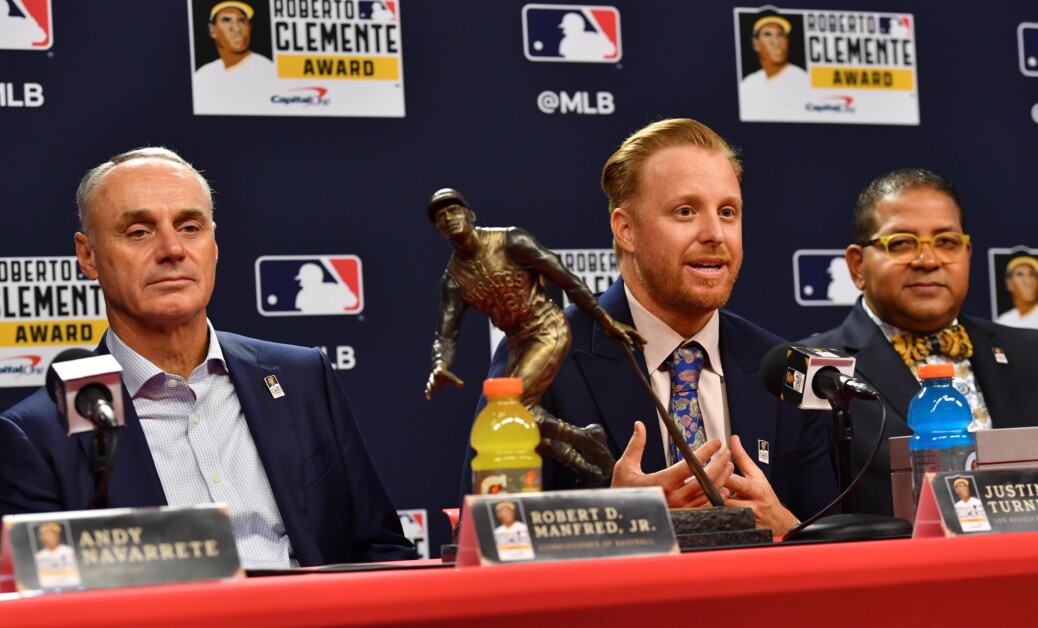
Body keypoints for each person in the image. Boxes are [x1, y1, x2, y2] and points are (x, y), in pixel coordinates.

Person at [0, 147, 414, 568]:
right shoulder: (39, 434)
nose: (172, 249)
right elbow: (49, 602)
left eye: (190, 227)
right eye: (139, 232)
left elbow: (381, 549)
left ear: (213, 243)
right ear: (88, 256)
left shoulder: (302, 377)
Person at [480, 118, 838, 535]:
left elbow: (833, 548)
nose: (715, 234)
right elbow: (492, 539)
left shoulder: (783, 370)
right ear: (626, 230)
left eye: (728, 212)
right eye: (685, 212)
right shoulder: (541, 361)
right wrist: (615, 522)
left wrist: (785, 527)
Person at [802, 169, 1038, 517]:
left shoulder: (1030, 353)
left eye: (946, 242)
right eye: (900, 243)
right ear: (857, 267)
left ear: (967, 253)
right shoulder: (815, 372)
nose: (928, 261)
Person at [425, 188, 645, 486]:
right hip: (518, 342)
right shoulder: (453, 279)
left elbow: (565, 278)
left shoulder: (509, 240)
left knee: (512, 409)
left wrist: (606, 320)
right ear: (438, 229)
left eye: (454, 211)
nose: (449, 218)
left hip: (546, 327)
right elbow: (446, 334)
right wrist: (440, 365)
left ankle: (584, 446)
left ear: (470, 215)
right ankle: (587, 457)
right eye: (441, 217)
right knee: (511, 425)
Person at [193, 1, 275, 112]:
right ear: (212, 30)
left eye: (241, 20)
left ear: (249, 27)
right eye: (226, 20)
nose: (236, 28)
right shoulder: (204, 73)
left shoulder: (265, 69)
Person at [739, 11, 810, 119]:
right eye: (767, 34)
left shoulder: (802, 80)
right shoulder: (749, 82)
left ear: (787, 41)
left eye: (780, 35)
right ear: (756, 43)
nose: (775, 42)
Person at [33, 522, 80, 589]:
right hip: (47, 590)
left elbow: (74, 577)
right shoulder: (39, 555)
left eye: (52, 535)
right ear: (42, 539)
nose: (50, 538)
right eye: (47, 535)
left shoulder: (68, 551)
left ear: (58, 537)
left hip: (69, 588)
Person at [996, 255, 1038, 329]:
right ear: (1009, 283)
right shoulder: (1004, 321)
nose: (1028, 282)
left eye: (1032, 275)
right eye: (1020, 275)